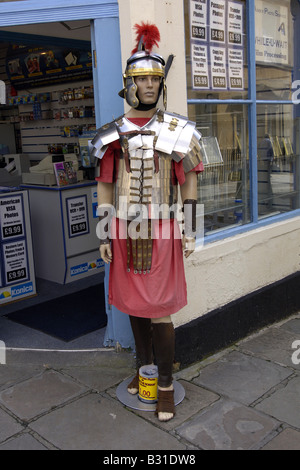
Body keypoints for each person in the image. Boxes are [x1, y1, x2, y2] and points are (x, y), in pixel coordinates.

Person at [91, 23, 203, 422]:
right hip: (124, 228)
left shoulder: (178, 131)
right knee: (134, 307)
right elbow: (105, 186)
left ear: (162, 83)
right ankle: (144, 372)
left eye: (155, 78)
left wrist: (191, 230)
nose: (150, 85)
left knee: (159, 309)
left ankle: (167, 385)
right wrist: (103, 234)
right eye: (142, 79)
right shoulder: (112, 136)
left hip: (162, 228)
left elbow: (188, 182)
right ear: (129, 85)